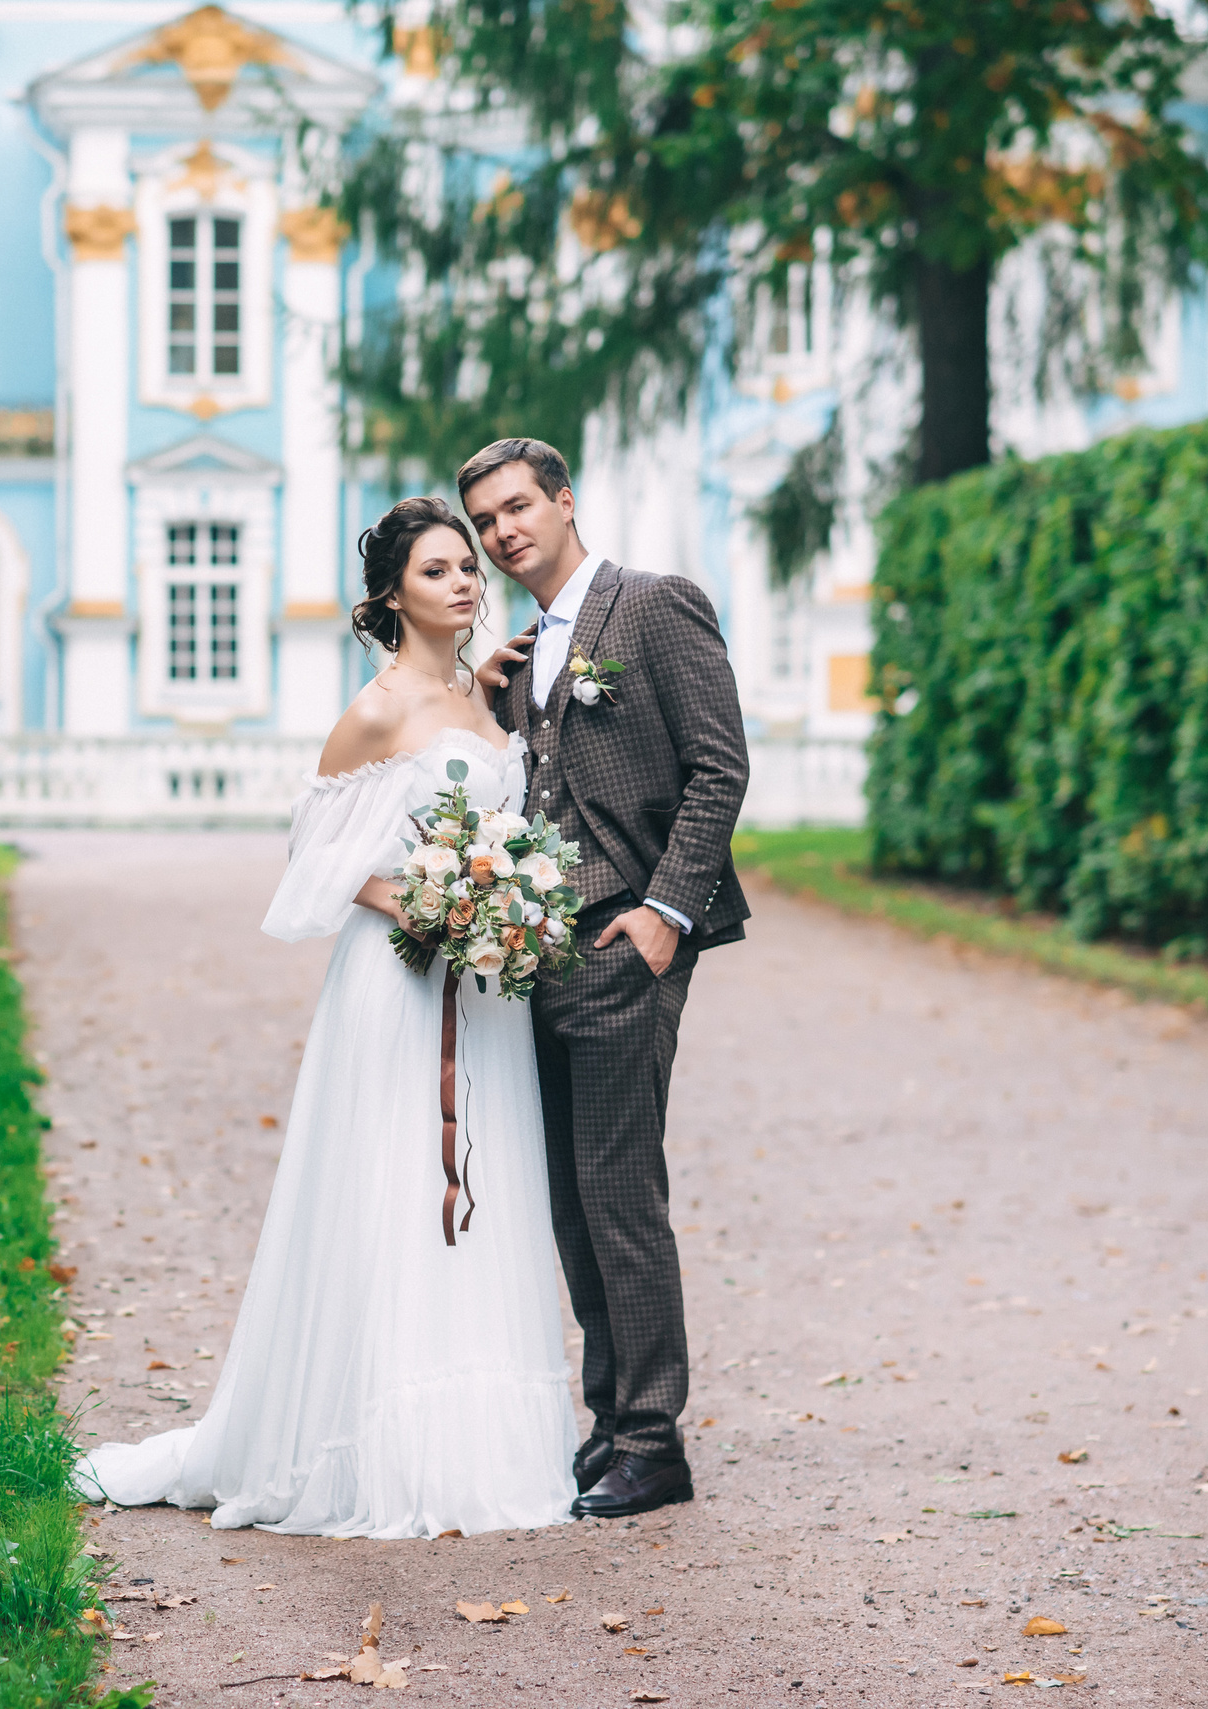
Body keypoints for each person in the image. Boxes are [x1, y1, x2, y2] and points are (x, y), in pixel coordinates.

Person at [69, 497, 580, 1537]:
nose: (466, 584)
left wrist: (497, 905)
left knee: (487, 1196)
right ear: (393, 594)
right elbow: (318, 853)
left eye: (469, 568)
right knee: (392, 1191)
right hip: (397, 981)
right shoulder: (379, 709)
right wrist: (428, 902)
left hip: (481, 992)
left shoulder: (487, 702)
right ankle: (374, 1442)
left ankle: (484, 1443)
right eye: (439, 571)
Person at [461, 438, 750, 1520]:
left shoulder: (654, 604)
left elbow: (719, 763)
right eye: (486, 520)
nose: (502, 532)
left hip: (625, 940)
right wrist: (497, 703)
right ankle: (606, 1419)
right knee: (571, 1200)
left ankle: (654, 1439)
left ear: (565, 499)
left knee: (620, 1188)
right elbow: (545, 778)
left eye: (519, 506)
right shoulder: (531, 647)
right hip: (541, 951)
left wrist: (666, 913)